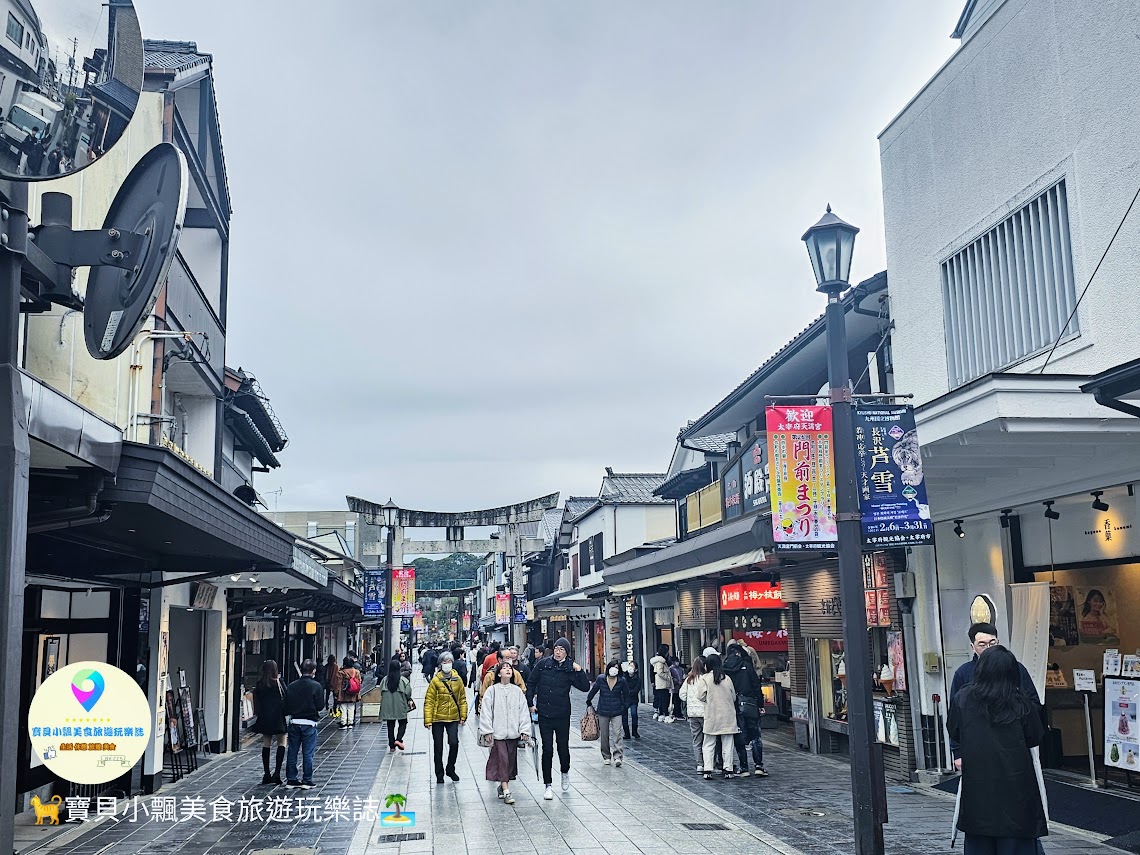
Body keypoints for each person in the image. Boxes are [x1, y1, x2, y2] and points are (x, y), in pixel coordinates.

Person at [948, 646, 1047, 855]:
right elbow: (1035, 737)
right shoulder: (1021, 703)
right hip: (1016, 790)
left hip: (977, 789)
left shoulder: (963, 699)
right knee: (1016, 844)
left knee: (979, 843)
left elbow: (954, 731)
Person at [950, 622, 1039, 770]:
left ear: (998, 642)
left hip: (1014, 745)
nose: (988, 648)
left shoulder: (1015, 668)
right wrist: (957, 752)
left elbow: (1033, 703)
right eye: (982, 645)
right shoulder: (963, 673)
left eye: (992, 643)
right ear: (973, 647)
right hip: (978, 746)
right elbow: (954, 717)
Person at [526, 637, 590, 800]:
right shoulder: (544, 664)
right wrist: (530, 704)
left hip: (562, 714)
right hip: (544, 713)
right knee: (547, 749)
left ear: (567, 653)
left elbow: (584, 687)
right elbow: (531, 682)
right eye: (556, 648)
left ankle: (565, 772)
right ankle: (548, 785)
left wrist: (579, 670)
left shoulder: (569, 668)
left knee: (563, 747)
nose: (558, 652)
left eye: (562, 649)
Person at [479, 660, 531, 806]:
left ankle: (502, 786)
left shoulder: (517, 692)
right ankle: (507, 791)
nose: (507, 670)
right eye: (504, 668)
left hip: (513, 733)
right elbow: (486, 711)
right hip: (498, 733)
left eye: (510, 668)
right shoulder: (492, 690)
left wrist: (525, 730)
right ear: (499, 673)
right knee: (502, 759)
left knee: (510, 762)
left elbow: (523, 712)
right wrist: (487, 730)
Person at [723, 642, 768, 777]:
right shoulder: (747, 666)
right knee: (755, 736)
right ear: (738, 653)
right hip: (750, 704)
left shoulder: (724, 668)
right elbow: (756, 686)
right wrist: (760, 705)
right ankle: (759, 766)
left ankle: (744, 768)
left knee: (739, 737)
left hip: (733, 706)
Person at [424, 650, 468, 783]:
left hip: (453, 717)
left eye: (449, 662)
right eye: (445, 662)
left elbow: (462, 698)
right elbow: (429, 700)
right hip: (437, 718)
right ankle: (439, 773)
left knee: (454, 743)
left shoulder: (458, 679)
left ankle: (450, 768)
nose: (447, 664)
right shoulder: (435, 680)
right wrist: (428, 720)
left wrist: (463, 715)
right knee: (438, 747)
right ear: (440, 664)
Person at [283, 659, 325, 789]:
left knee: (292, 751)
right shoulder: (316, 686)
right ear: (313, 671)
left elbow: (286, 705)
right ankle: (307, 780)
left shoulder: (292, 685)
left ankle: (291, 779)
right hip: (309, 723)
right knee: (307, 753)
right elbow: (320, 706)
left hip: (294, 722)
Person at [697, 652, 739, 780]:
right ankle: (728, 769)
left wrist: (709, 701)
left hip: (712, 714)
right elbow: (733, 697)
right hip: (728, 715)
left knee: (709, 743)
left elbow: (700, 696)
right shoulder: (726, 678)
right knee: (727, 743)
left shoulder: (705, 679)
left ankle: (708, 769)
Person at [586, 659, 629, 767]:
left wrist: (625, 706)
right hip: (603, 711)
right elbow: (594, 690)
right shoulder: (601, 679)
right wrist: (589, 701)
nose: (614, 669)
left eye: (617, 667)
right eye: (613, 666)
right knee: (604, 735)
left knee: (617, 733)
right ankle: (606, 756)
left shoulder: (621, 680)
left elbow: (626, 694)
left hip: (617, 710)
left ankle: (618, 757)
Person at [251, 659, 288, 785]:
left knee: (266, 743)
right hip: (278, 717)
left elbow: (256, 702)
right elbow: (286, 696)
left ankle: (266, 773)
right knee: (282, 742)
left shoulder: (260, 684)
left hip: (265, 717)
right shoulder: (279, 683)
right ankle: (277, 773)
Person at [679, 656, 707, 772]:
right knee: (708, 740)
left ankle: (700, 764)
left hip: (692, 714)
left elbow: (682, 695)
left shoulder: (689, 679)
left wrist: (690, 702)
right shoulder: (706, 679)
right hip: (705, 713)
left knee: (696, 740)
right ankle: (709, 762)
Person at [380, 659, 413, 753]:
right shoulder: (403, 680)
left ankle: (392, 746)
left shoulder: (385, 680)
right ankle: (398, 739)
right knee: (403, 722)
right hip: (400, 705)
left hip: (388, 706)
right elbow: (408, 693)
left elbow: (381, 692)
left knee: (390, 725)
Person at [337, 656, 362, 729]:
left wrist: (336, 693)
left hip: (343, 693)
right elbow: (359, 682)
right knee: (351, 707)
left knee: (343, 707)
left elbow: (338, 684)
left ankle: (343, 723)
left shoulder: (341, 672)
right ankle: (350, 722)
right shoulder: (356, 672)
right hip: (353, 692)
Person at [650, 645, 673, 722]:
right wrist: (668, 677)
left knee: (662, 699)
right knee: (664, 699)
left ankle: (662, 715)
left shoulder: (659, 661)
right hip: (662, 683)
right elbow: (659, 672)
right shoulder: (660, 661)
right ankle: (665, 715)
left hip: (661, 684)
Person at [621, 660, 642, 739]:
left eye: (632, 666)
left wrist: (628, 692)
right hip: (624, 699)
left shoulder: (638, 679)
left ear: (636, 669)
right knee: (624, 716)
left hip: (633, 699)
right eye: (629, 665)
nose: (630, 667)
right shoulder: (624, 677)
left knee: (634, 714)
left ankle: (634, 731)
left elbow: (637, 689)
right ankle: (626, 733)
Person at [669, 655, 687, 720]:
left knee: (679, 701)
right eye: (676, 661)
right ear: (673, 662)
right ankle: (677, 713)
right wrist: (675, 681)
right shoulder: (670, 669)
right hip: (674, 688)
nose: (677, 663)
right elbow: (670, 678)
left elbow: (683, 676)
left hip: (680, 687)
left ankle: (676, 713)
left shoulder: (680, 669)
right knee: (675, 701)